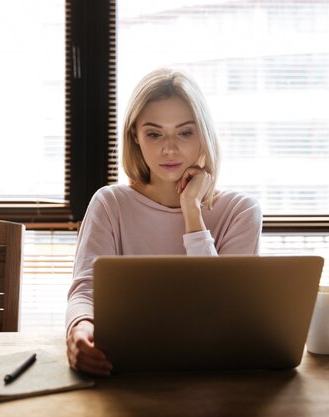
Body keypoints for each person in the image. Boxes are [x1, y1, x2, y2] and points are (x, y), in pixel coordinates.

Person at [65, 68, 262, 377]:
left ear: (203, 135)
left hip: (213, 375)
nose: (169, 149)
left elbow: (223, 311)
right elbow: (86, 290)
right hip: (123, 369)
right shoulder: (110, 204)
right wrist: (80, 328)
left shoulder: (240, 211)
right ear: (135, 136)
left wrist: (191, 210)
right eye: (154, 134)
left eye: (185, 132)